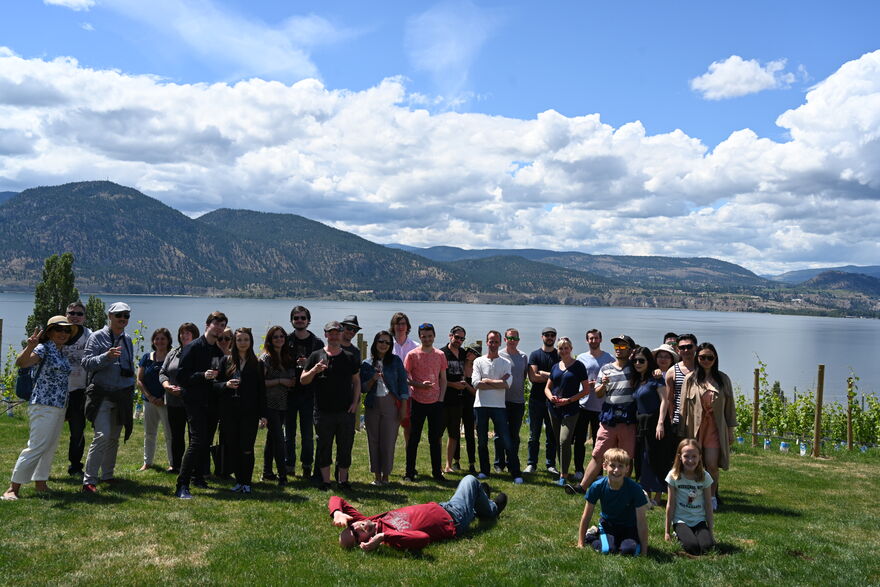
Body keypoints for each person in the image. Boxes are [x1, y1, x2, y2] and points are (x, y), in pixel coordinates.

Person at [3, 316, 81, 500]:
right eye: (59, 329)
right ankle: (12, 489)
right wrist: (30, 345)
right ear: (50, 332)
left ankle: (41, 483)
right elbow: (21, 363)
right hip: (43, 405)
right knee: (36, 446)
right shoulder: (43, 348)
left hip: (59, 406)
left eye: (66, 330)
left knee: (49, 446)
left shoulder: (61, 352)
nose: (63, 333)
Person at [331, 475, 507, 551]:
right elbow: (422, 538)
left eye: (351, 527)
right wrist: (384, 537)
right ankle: (491, 509)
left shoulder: (369, 520)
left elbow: (335, 498)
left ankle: (478, 500)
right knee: (470, 480)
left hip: (443, 506)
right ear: (363, 542)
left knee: (472, 489)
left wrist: (338, 513)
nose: (357, 527)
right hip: (454, 518)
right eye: (356, 535)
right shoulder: (392, 539)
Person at [81, 302, 136, 494]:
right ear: (110, 316)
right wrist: (106, 356)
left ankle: (108, 475)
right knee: (102, 436)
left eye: (126, 316)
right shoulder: (96, 337)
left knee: (114, 437)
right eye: (119, 315)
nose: (123, 319)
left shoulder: (127, 339)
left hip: (122, 395)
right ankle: (89, 480)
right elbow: (86, 363)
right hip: (102, 394)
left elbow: (129, 366)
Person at [572, 335, 637, 495]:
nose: (618, 349)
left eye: (622, 347)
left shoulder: (635, 368)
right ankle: (582, 487)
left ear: (630, 350)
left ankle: (623, 490)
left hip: (628, 419)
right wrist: (604, 384)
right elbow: (599, 393)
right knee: (598, 454)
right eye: (616, 347)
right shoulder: (606, 368)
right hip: (609, 417)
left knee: (626, 457)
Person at [300, 321, 361, 491]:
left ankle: (343, 481)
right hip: (322, 411)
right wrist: (314, 371)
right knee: (324, 446)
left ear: (341, 334)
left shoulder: (349, 357)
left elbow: (356, 382)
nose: (334, 336)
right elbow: (303, 380)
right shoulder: (316, 355)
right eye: (330, 333)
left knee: (345, 446)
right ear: (325, 335)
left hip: (345, 411)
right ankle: (326, 481)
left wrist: (355, 403)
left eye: (337, 332)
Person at [174, 311, 227, 499]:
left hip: (211, 403)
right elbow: (181, 376)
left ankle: (198, 477)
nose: (219, 327)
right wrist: (202, 375)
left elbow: (218, 377)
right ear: (207, 325)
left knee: (205, 442)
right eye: (216, 324)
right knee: (196, 442)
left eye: (222, 325)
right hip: (194, 401)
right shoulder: (193, 347)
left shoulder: (218, 352)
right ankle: (182, 485)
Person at [678, 342, 736, 511]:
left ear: (715, 359)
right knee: (692, 464)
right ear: (697, 358)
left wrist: (730, 431)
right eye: (702, 357)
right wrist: (682, 431)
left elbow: (730, 407)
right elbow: (682, 406)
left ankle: (711, 497)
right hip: (694, 428)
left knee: (711, 465)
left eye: (709, 357)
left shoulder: (723, 379)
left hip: (715, 429)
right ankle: (691, 497)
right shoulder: (690, 379)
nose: (706, 360)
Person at [215, 328, 267, 493]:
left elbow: (261, 391)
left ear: (250, 341)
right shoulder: (226, 361)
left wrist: (263, 415)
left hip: (249, 413)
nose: (242, 343)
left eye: (246, 339)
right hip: (229, 412)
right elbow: (215, 385)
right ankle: (238, 481)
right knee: (233, 447)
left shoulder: (257, 363)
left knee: (247, 447)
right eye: (239, 340)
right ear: (234, 342)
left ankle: (247, 482)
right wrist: (226, 385)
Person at [472, 330, 523, 484]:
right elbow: (476, 384)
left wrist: (487, 380)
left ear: (500, 343)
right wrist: (497, 382)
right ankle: (484, 471)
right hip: (481, 406)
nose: (493, 344)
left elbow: (507, 385)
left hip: (499, 406)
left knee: (507, 440)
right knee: (482, 441)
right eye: (490, 341)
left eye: (496, 341)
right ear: (487, 342)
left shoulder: (505, 363)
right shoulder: (478, 361)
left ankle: (516, 473)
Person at [577, 448, 649, 555]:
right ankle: (591, 536)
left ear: (627, 468)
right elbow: (586, 516)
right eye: (612, 465)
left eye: (621, 466)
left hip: (629, 527)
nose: (616, 470)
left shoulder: (635, 489)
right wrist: (580, 542)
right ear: (605, 466)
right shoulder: (597, 486)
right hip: (608, 526)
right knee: (607, 550)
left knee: (629, 551)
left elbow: (642, 522)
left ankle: (629, 543)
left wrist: (644, 551)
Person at [360, 330, 409, 485]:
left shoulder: (395, 361)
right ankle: (377, 477)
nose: (384, 345)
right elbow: (363, 388)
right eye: (381, 341)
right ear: (375, 343)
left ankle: (386, 476)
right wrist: (373, 379)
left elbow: (403, 385)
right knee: (373, 440)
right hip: (373, 405)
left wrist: (403, 408)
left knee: (388, 441)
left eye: (387, 342)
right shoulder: (367, 363)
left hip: (391, 404)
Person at [403, 322, 448, 482]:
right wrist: (419, 385)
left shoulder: (440, 355)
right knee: (414, 438)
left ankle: (437, 472)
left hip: (436, 402)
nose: (427, 339)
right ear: (420, 337)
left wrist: (441, 399)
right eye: (424, 337)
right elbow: (405, 377)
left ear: (434, 336)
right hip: (417, 401)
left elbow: (443, 379)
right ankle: (409, 472)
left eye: (429, 336)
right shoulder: (412, 355)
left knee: (435, 439)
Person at [545, 337, 590, 487]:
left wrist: (569, 400)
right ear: (558, 350)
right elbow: (547, 387)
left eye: (566, 348)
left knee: (565, 440)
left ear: (571, 349)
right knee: (559, 441)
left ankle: (563, 475)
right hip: (554, 409)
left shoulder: (578, 366)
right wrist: (551, 397)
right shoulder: (555, 366)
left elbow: (586, 389)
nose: (563, 351)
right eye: (561, 348)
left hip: (571, 409)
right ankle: (562, 472)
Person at [285, 305, 323, 479]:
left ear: (308, 320)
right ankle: (289, 465)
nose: (299, 320)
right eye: (296, 318)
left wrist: (310, 363)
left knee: (307, 434)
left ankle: (307, 465)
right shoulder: (285, 340)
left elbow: (323, 369)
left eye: (302, 318)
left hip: (310, 394)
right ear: (292, 320)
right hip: (290, 393)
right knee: (289, 433)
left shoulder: (317, 343)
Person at [159, 323, 200, 473]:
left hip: (192, 402)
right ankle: (176, 465)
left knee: (193, 436)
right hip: (173, 401)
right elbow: (163, 372)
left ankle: (193, 467)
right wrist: (166, 386)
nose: (184, 336)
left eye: (188, 333)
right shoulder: (173, 353)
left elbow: (201, 377)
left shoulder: (199, 353)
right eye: (182, 333)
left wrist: (185, 390)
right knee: (176, 435)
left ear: (195, 335)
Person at [573, 329, 613, 479]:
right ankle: (578, 469)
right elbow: (575, 378)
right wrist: (585, 385)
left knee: (600, 442)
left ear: (600, 340)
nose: (593, 341)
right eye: (591, 338)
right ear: (587, 340)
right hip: (583, 405)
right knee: (580, 440)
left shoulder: (609, 358)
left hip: (601, 407)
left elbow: (613, 378)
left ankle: (599, 472)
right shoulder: (581, 358)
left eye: (596, 338)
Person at [665, 439, 715, 555]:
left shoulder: (705, 477)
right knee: (692, 547)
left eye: (694, 456)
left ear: (700, 457)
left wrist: (711, 532)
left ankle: (702, 535)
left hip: (699, 521)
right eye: (686, 456)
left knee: (707, 547)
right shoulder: (673, 476)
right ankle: (677, 533)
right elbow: (670, 504)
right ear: (680, 457)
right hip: (681, 520)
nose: (690, 460)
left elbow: (708, 504)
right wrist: (666, 532)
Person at [630, 346, 666, 505]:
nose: (637, 363)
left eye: (641, 360)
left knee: (656, 457)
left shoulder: (656, 378)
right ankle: (646, 494)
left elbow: (665, 400)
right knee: (643, 458)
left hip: (654, 422)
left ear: (648, 362)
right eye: (635, 360)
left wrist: (660, 423)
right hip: (641, 424)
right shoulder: (638, 380)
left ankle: (658, 496)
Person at [260, 325, 296, 486]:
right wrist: (280, 381)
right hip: (269, 404)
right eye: (275, 337)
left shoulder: (287, 357)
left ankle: (267, 472)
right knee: (280, 440)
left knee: (272, 439)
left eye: (282, 336)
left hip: (284, 403)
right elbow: (260, 383)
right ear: (270, 339)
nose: (279, 339)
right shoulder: (265, 358)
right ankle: (283, 476)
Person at [61, 301, 91, 477]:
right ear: (66, 314)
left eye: (79, 314)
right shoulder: (58, 333)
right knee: (50, 430)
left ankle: (75, 466)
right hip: (58, 390)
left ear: (84, 317)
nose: (75, 316)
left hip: (80, 390)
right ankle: (41, 467)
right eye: (71, 313)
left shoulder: (90, 335)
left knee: (78, 431)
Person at [137, 328, 173, 472]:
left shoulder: (172, 357)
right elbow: (139, 380)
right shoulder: (147, 357)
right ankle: (147, 462)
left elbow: (175, 379)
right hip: (149, 401)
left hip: (166, 402)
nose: (159, 341)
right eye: (156, 338)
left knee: (169, 434)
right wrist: (150, 397)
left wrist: (163, 397)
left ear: (168, 340)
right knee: (149, 433)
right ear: (153, 341)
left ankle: (173, 463)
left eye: (162, 338)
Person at [526, 327, 560, 476]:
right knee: (534, 434)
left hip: (553, 401)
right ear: (542, 337)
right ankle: (531, 463)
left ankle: (550, 464)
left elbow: (562, 377)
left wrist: (545, 374)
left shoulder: (559, 355)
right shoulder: (535, 355)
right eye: (547, 335)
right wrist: (554, 376)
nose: (550, 337)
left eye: (552, 335)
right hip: (536, 400)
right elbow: (533, 377)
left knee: (551, 435)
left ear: (555, 338)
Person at [495, 328, 528, 475]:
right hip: (501, 401)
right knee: (499, 434)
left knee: (514, 435)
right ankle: (499, 463)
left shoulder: (523, 356)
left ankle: (511, 463)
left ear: (518, 340)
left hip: (518, 402)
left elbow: (524, 376)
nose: (512, 341)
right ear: (505, 340)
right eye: (510, 338)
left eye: (515, 338)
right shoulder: (499, 355)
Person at [441, 326, 468, 473]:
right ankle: (437, 464)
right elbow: (439, 378)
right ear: (450, 335)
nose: (459, 341)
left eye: (462, 339)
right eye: (457, 337)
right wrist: (454, 385)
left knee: (454, 434)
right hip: (444, 399)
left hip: (459, 401)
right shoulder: (442, 353)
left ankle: (448, 465)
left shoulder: (464, 353)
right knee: (439, 433)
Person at [652, 343, 680, 485]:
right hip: (652, 416)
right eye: (660, 356)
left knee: (668, 452)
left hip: (670, 417)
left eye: (666, 357)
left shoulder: (675, 373)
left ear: (672, 359)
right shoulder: (651, 373)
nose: (663, 359)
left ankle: (668, 482)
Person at [390, 312, 418, 443]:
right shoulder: (387, 345)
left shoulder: (416, 346)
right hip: (390, 392)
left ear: (407, 326)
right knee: (391, 425)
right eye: (397, 324)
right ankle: (389, 453)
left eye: (403, 324)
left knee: (408, 425)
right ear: (393, 326)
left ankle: (409, 452)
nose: (400, 327)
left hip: (409, 392)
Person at [665, 333, 697, 445]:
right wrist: (670, 419)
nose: (686, 350)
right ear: (678, 350)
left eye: (689, 346)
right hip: (679, 420)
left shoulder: (703, 368)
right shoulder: (672, 371)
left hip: (699, 419)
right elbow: (669, 399)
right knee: (680, 453)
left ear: (696, 347)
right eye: (682, 347)